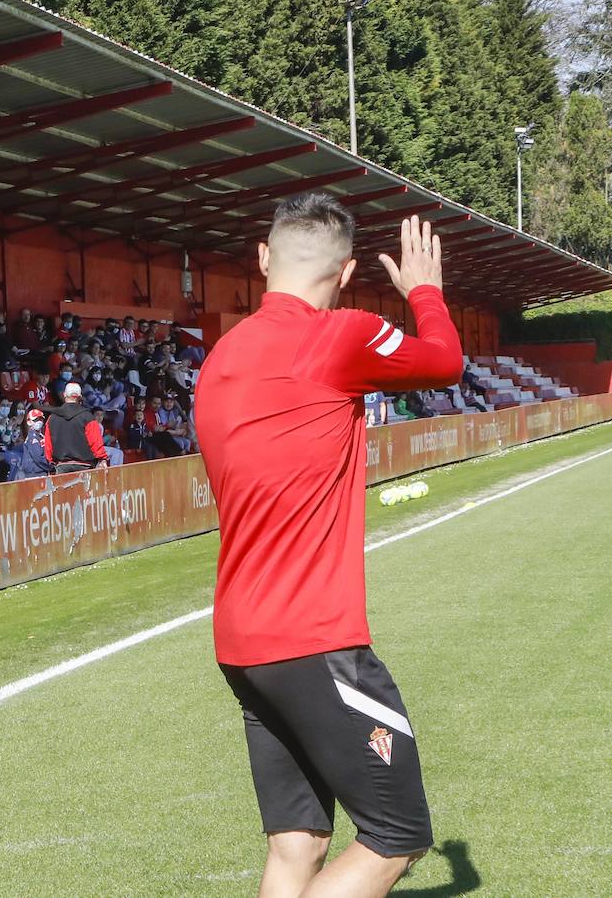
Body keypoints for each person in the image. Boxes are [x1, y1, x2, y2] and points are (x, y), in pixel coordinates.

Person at [195, 198, 462, 897]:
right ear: (346, 272)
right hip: (312, 638)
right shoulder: (340, 334)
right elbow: (445, 361)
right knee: (394, 838)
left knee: (299, 841)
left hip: (242, 641)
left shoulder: (222, 354)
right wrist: (423, 292)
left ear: (262, 258)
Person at [43, 383, 108, 473]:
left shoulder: (52, 418)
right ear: (80, 396)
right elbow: (95, 441)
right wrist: (102, 459)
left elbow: (48, 445)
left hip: (61, 467)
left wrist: (50, 461)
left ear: (64, 395)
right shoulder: (88, 416)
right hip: (85, 466)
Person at [12, 409, 53, 480]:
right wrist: (50, 466)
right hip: (34, 475)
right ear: (29, 422)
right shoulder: (33, 438)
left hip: (39, 473)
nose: (39, 422)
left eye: (40, 419)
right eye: (36, 420)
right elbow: (38, 457)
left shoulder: (40, 436)